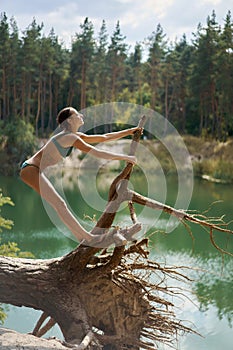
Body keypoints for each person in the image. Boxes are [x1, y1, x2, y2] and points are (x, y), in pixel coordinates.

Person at [20, 106, 140, 246]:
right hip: (31, 169)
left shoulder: (73, 136)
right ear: (70, 120)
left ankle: (81, 238)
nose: (81, 116)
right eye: (77, 114)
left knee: (59, 205)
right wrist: (125, 157)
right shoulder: (68, 137)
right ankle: (88, 238)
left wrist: (130, 131)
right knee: (60, 204)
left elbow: (103, 137)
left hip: (33, 170)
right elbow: (96, 153)